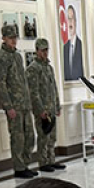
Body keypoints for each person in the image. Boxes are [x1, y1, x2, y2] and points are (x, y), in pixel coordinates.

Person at [0, 24, 36, 179]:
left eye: (15, 38)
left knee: (30, 136)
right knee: (18, 137)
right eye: (11, 38)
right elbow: (0, 83)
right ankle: (19, 167)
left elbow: (22, 81)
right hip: (14, 106)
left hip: (24, 104)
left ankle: (25, 164)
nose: (14, 41)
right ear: (4, 38)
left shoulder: (17, 56)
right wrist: (8, 106)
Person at [26, 38, 67, 174]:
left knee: (52, 136)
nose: (45, 53)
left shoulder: (49, 68)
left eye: (46, 50)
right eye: (42, 50)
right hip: (42, 109)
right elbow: (34, 92)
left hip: (51, 108)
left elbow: (54, 88)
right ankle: (43, 162)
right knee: (43, 136)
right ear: (37, 50)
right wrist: (40, 110)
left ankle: (51, 160)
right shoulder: (33, 69)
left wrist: (57, 105)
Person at [62, 4, 84, 81]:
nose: (70, 22)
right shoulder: (65, 48)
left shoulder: (82, 46)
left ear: (75, 21)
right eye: (68, 19)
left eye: (72, 18)